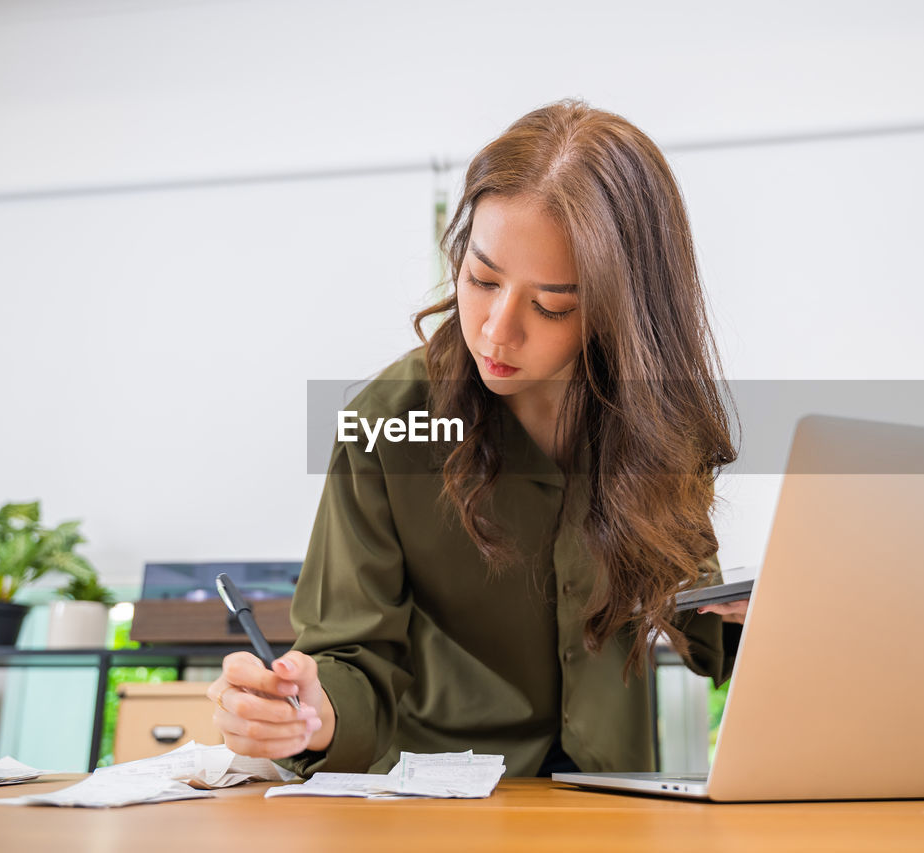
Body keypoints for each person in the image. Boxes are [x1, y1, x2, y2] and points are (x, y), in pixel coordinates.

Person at [208, 99, 746, 777]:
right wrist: (308, 709)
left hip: (612, 803)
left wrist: (742, 610)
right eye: (481, 279)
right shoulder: (384, 424)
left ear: (622, 312)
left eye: (552, 305)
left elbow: (695, 606)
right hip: (443, 810)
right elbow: (351, 662)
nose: (495, 329)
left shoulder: (658, 419)